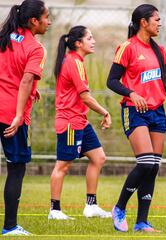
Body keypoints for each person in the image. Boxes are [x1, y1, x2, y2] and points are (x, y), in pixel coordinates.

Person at [107, 4, 166, 233]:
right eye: (156, 20)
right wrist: (132, 93)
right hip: (134, 111)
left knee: (153, 167)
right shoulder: (127, 48)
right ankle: (119, 207)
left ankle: (142, 222)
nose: (159, 24)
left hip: (157, 112)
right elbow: (112, 81)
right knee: (145, 162)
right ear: (143, 22)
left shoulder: (159, 50)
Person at [48, 25, 112, 220]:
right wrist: (105, 112)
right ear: (78, 43)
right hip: (69, 123)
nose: (93, 41)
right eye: (89, 38)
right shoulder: (73, 62)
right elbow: (85, 97)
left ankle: (91, 206)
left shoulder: (76, 61)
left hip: (80, 122)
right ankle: (55, 210)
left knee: (98, 158)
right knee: (63, 166)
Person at [0, 0, 50, 235]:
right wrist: (19, 115)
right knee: (16, 168)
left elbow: (12, 71)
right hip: (11, 114)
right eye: (46, 17)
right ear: (34, 21)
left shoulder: (6, 35)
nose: (49, 22)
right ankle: (10, 226)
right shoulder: (36, 48)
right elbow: (26, 80)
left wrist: (31, 88)